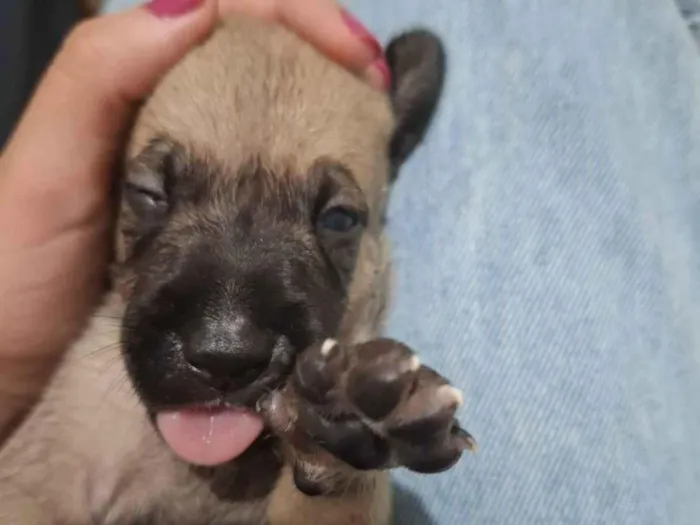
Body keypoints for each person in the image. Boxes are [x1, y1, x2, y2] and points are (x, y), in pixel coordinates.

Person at [2, 0, 700, 524]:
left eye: (334, 218)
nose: (226, 336)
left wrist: (339, 461)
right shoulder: (95, 393)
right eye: (153, 196)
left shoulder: (358, 389)